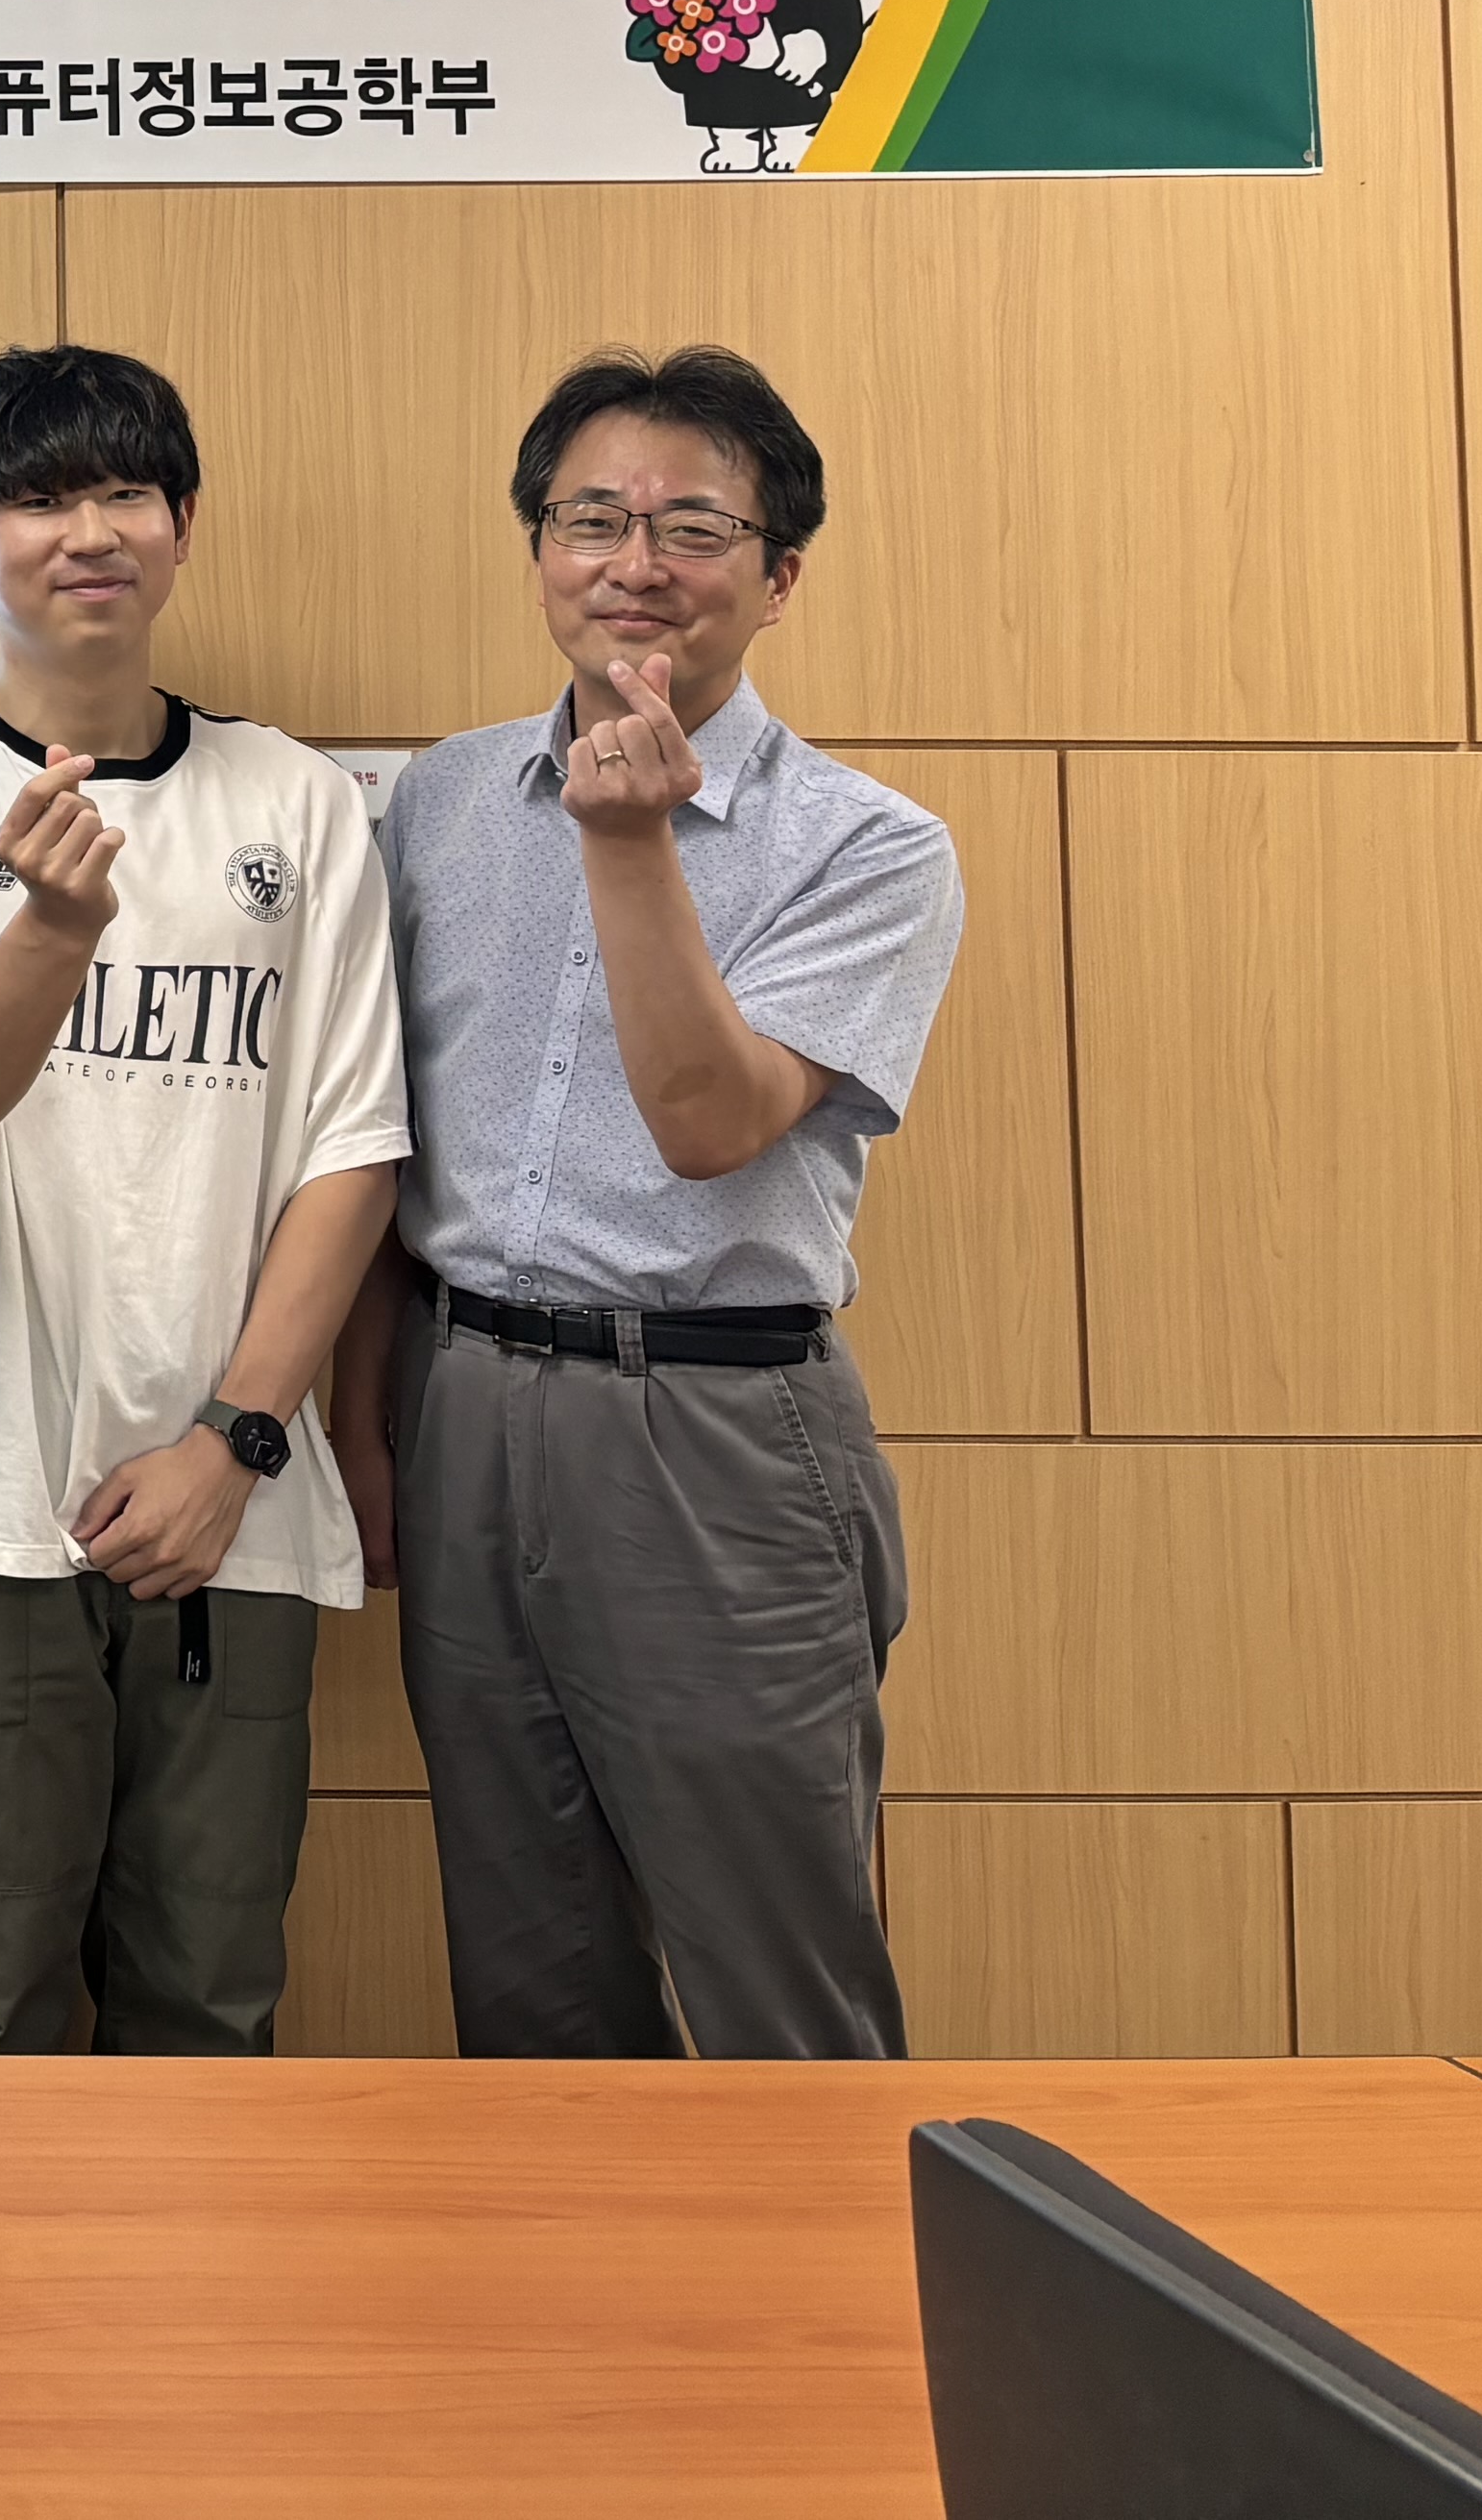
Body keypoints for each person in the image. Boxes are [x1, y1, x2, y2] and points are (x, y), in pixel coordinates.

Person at [338, 343, 962, 2061]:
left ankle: (823, 2251)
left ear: (780, 575)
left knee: (777, 1975)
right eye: (591, 519)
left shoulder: (868, 844)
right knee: (529, 1975)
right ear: (540, 548)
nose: (635, 562)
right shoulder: (442, 801)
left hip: (712, 1425)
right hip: (462, 1398)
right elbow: (382, 1148)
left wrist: (630, 844)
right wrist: (367, 1435)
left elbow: (709, 1123)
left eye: (694, 527)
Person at [0, 346, 407, 2059]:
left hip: (235, 1502)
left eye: (126, 491)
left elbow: (353, 1150)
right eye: (38, 500)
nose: (89, 532)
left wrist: (235, 1441)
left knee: (208, 2009)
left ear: (182, 524)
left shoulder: (296, 802)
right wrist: (53, 935)